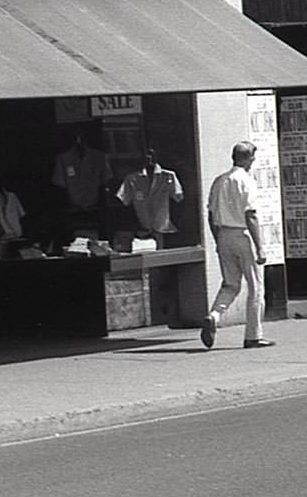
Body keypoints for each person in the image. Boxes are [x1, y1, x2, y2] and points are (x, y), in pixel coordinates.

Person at [200, 141, 273, 350]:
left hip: (223, 234)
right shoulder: (246, 181)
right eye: (252, 158)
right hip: (242, 235)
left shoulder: (219, 181)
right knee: (256, 287)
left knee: (230, 283)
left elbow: (211, 215)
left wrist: (217, 240)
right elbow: (250, 215)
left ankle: (214, 315)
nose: (253, 162)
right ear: (248, 158)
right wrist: (260, 246)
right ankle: (253, 335)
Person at [116, 147, 184, 238]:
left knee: (162, 250)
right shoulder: (132, 179)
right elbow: (123, 200)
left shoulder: (168, 176)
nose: (150, 157)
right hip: (141, 227)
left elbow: (179, 198)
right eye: (147, 154)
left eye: (152, 154)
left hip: (163, 227)